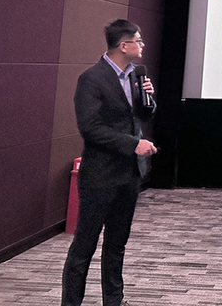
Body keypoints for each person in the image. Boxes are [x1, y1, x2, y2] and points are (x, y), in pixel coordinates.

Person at [61, 19, 158, 306]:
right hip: (100, 176)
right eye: (138, 41)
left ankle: (114, 301)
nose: (142, 45)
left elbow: (140, 116)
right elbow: (90, 128)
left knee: (117, 244)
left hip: (129, 174)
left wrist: (149, 99)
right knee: (84, 246)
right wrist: (133, 144)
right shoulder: (92, 79)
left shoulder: (135, 75)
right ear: (123, 45)